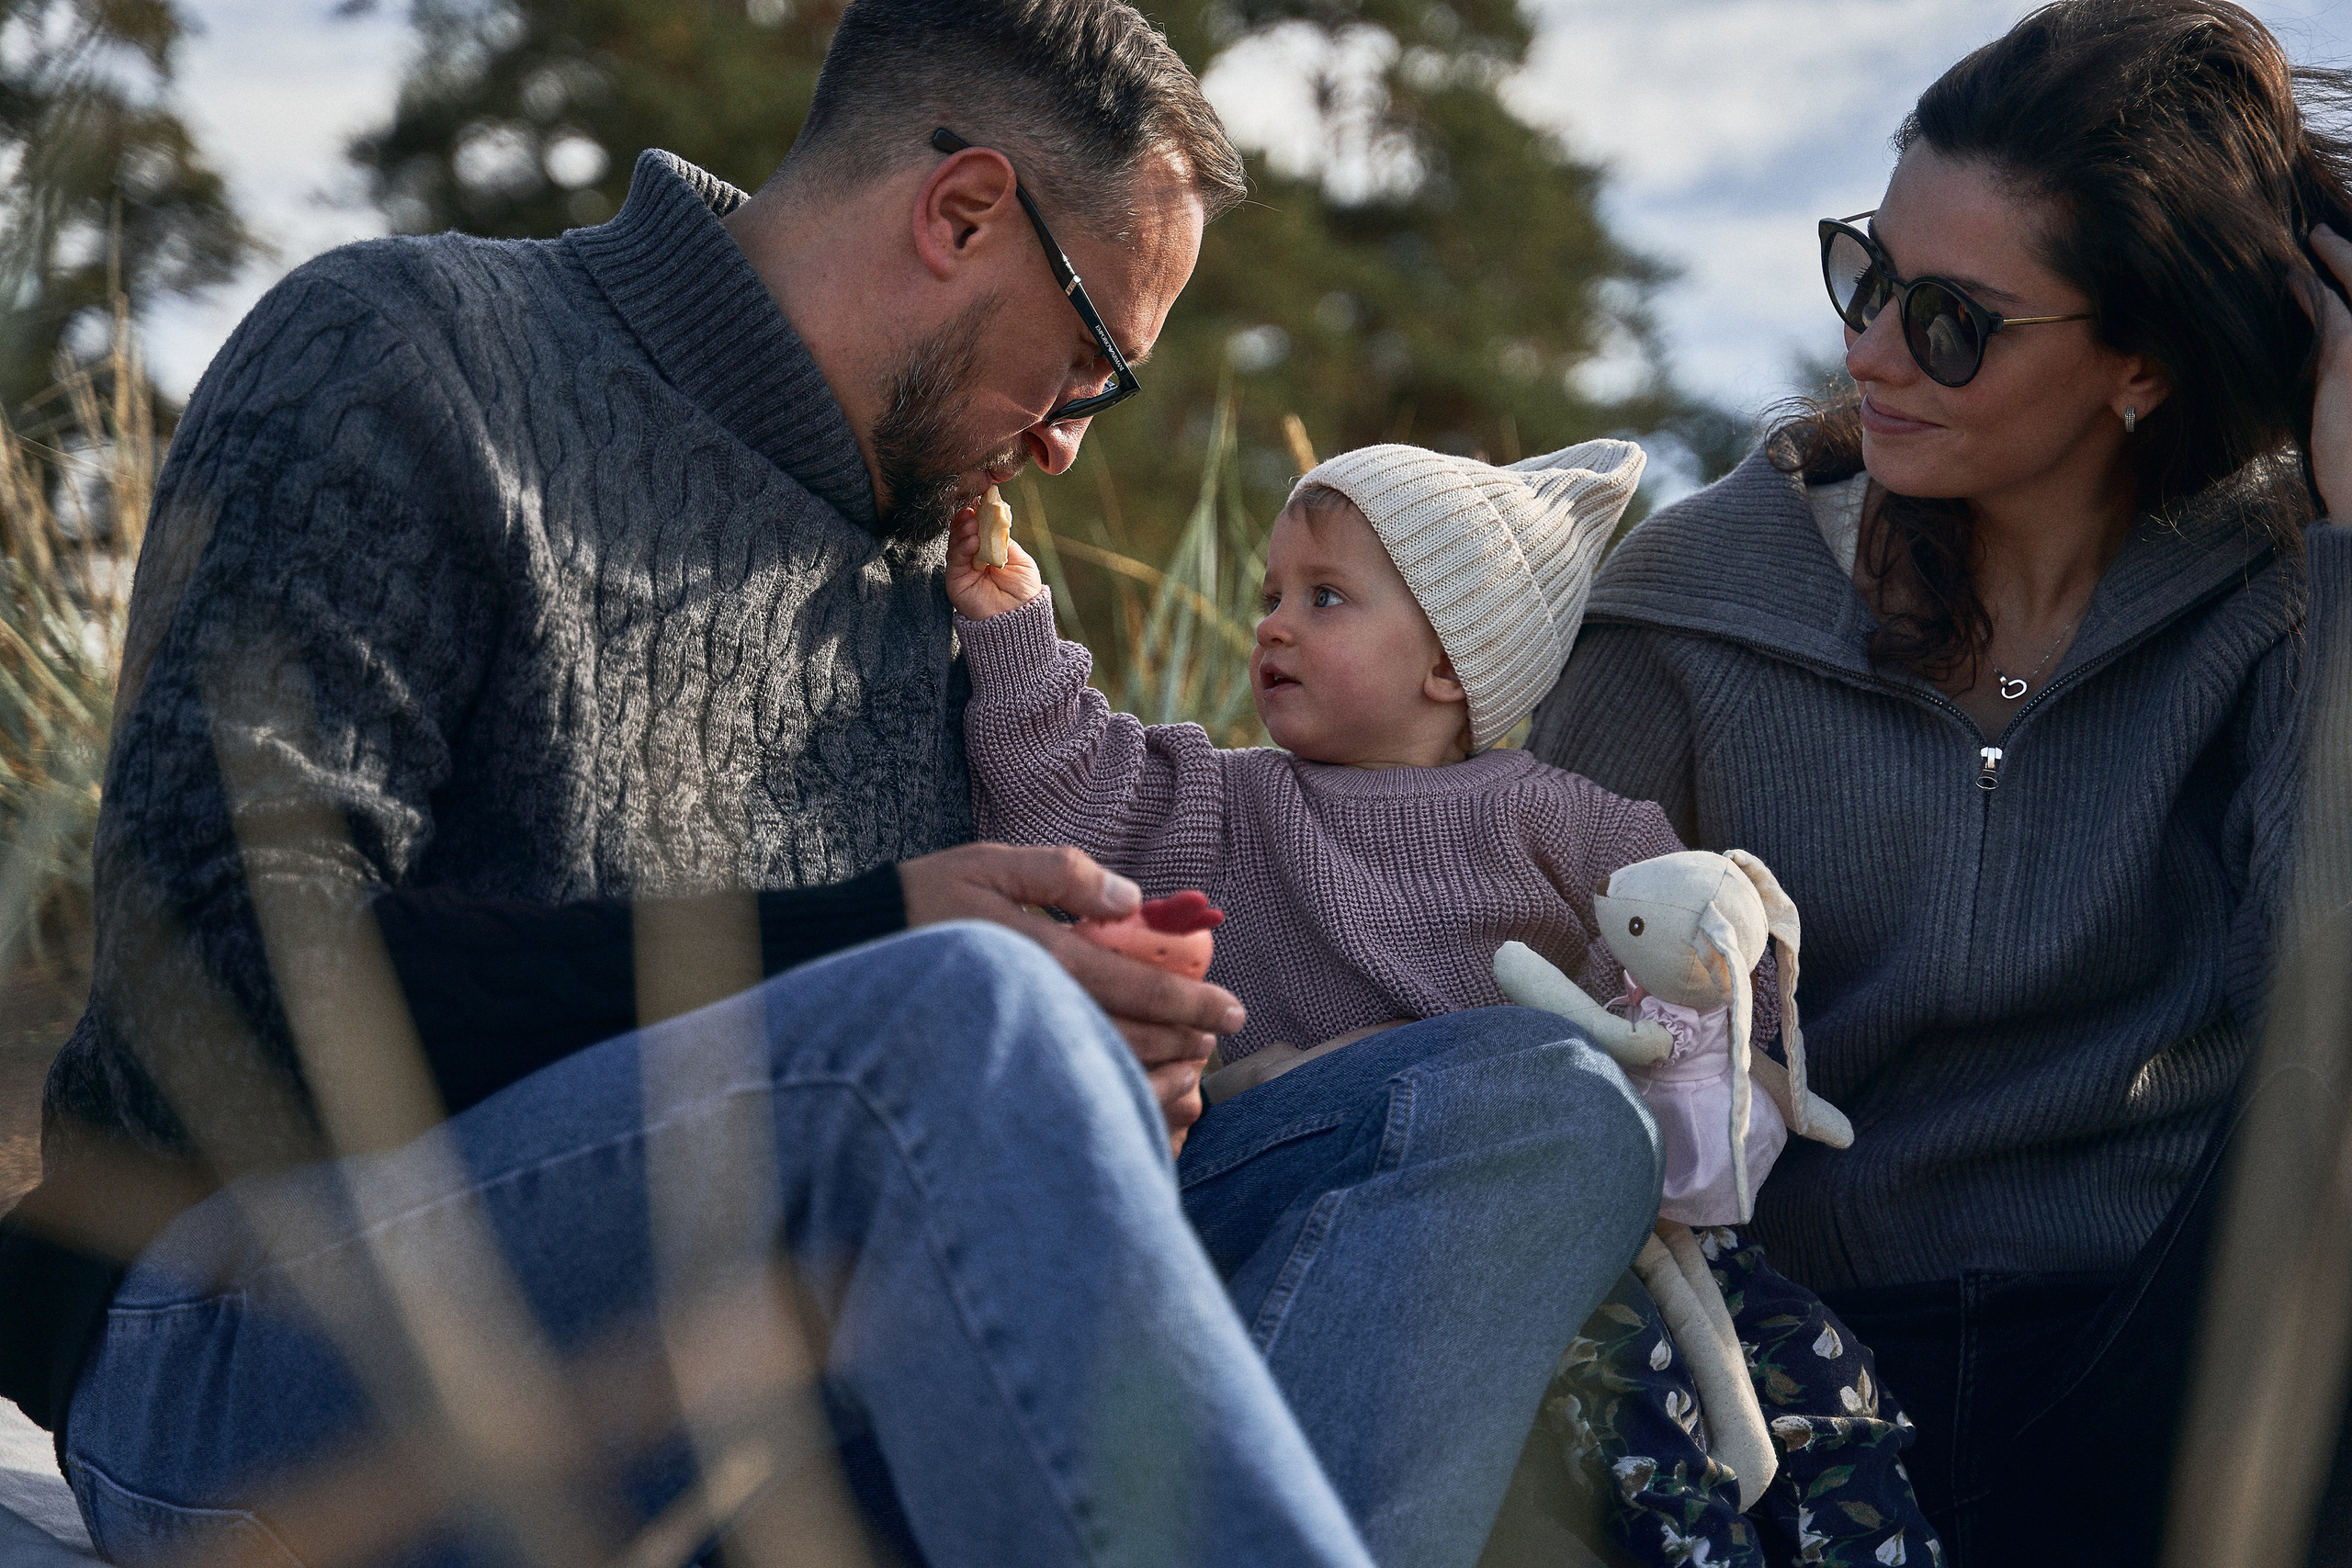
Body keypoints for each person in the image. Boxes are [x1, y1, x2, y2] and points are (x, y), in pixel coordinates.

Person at [0, 4, 1668, 1565]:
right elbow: (215, 973)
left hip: (788, 1381)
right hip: (252, 1342)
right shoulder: (410, 356)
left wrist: (1101, 1072)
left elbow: (906, 1085)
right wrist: (880, 953)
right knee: (950, 1017)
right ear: (960, 212)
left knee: (1534, 1102)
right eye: (1094, 365)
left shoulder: (934, 573)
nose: (1074, 442)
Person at [1524, 1, 2352, 1560]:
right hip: (1784, 1373)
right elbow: (1517, 988)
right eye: (1867, 274)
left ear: (2143, 364)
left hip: (2158, 1361)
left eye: (1956, 322)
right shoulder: (1696, 599)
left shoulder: (2278, 592)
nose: (1874, 348)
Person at [944, 440, 1939, 1565]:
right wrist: (1011, 617)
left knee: (1804, 1407)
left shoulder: (1563, 823)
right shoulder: (1225, 804)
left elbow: (1705, 948)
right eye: (1271, 594)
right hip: (1327, 1205)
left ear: (1451, 667)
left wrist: (1705, 1046)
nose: (1272, 623)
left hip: (1568, 1228)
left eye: (1325, 597)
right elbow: (1071, 782)